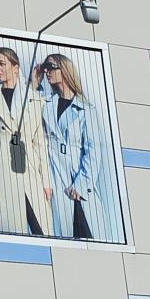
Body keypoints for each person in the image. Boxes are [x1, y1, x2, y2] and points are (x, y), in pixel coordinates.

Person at [0, 47, 53, 235]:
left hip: (27, 161)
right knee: (8, 226)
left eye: (2, 64)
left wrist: (46, 180)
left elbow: (40, 141)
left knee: (40, 224)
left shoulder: (33, 96)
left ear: (15, 67)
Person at [33, 53, 106, 239]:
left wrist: (81, 185)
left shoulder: (85, 109)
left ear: (65, 70)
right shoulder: (45, 103)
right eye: (45, 68)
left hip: (78, 183)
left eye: (51, 67)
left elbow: (93, 151)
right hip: (55, 179)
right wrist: (34, 85)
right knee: (61, 238)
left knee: (90, 238)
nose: (47, 72)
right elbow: (27, 119)